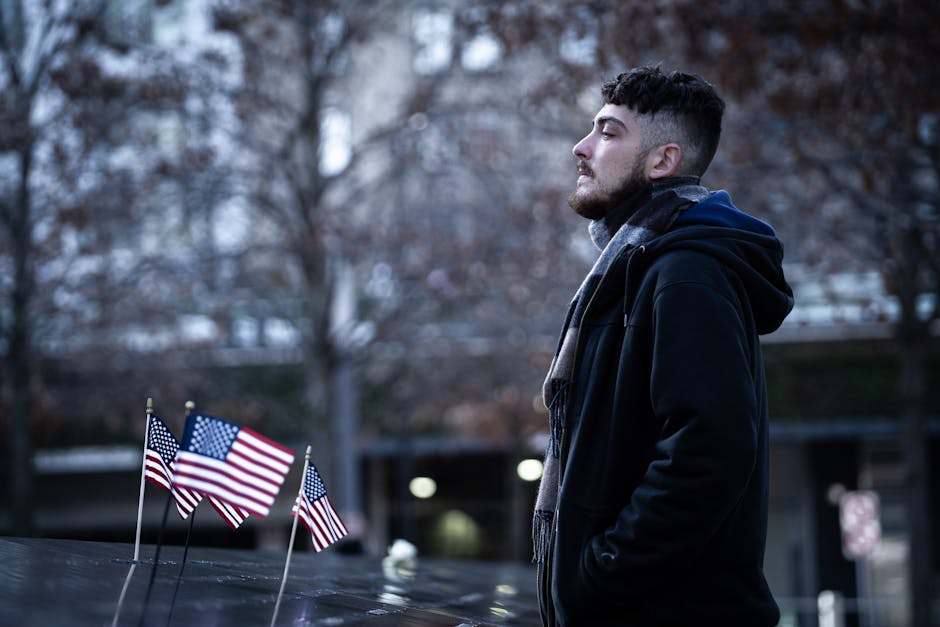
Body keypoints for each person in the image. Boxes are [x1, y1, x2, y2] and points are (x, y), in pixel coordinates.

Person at [532, 66, 793, 626]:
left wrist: (603, 573)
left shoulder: (686, 273)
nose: (581, 147)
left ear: (662, 161)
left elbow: (708, 452)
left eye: (608, 132)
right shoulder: (638, 268)